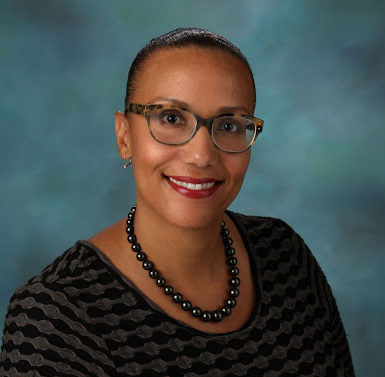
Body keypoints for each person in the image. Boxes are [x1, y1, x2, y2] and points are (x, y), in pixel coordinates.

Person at [0, 28, 355, 376]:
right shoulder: (53, 315)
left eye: (229, 125)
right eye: (170, 118)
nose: (201, 155)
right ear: (124, 137)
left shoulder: (285, 253)